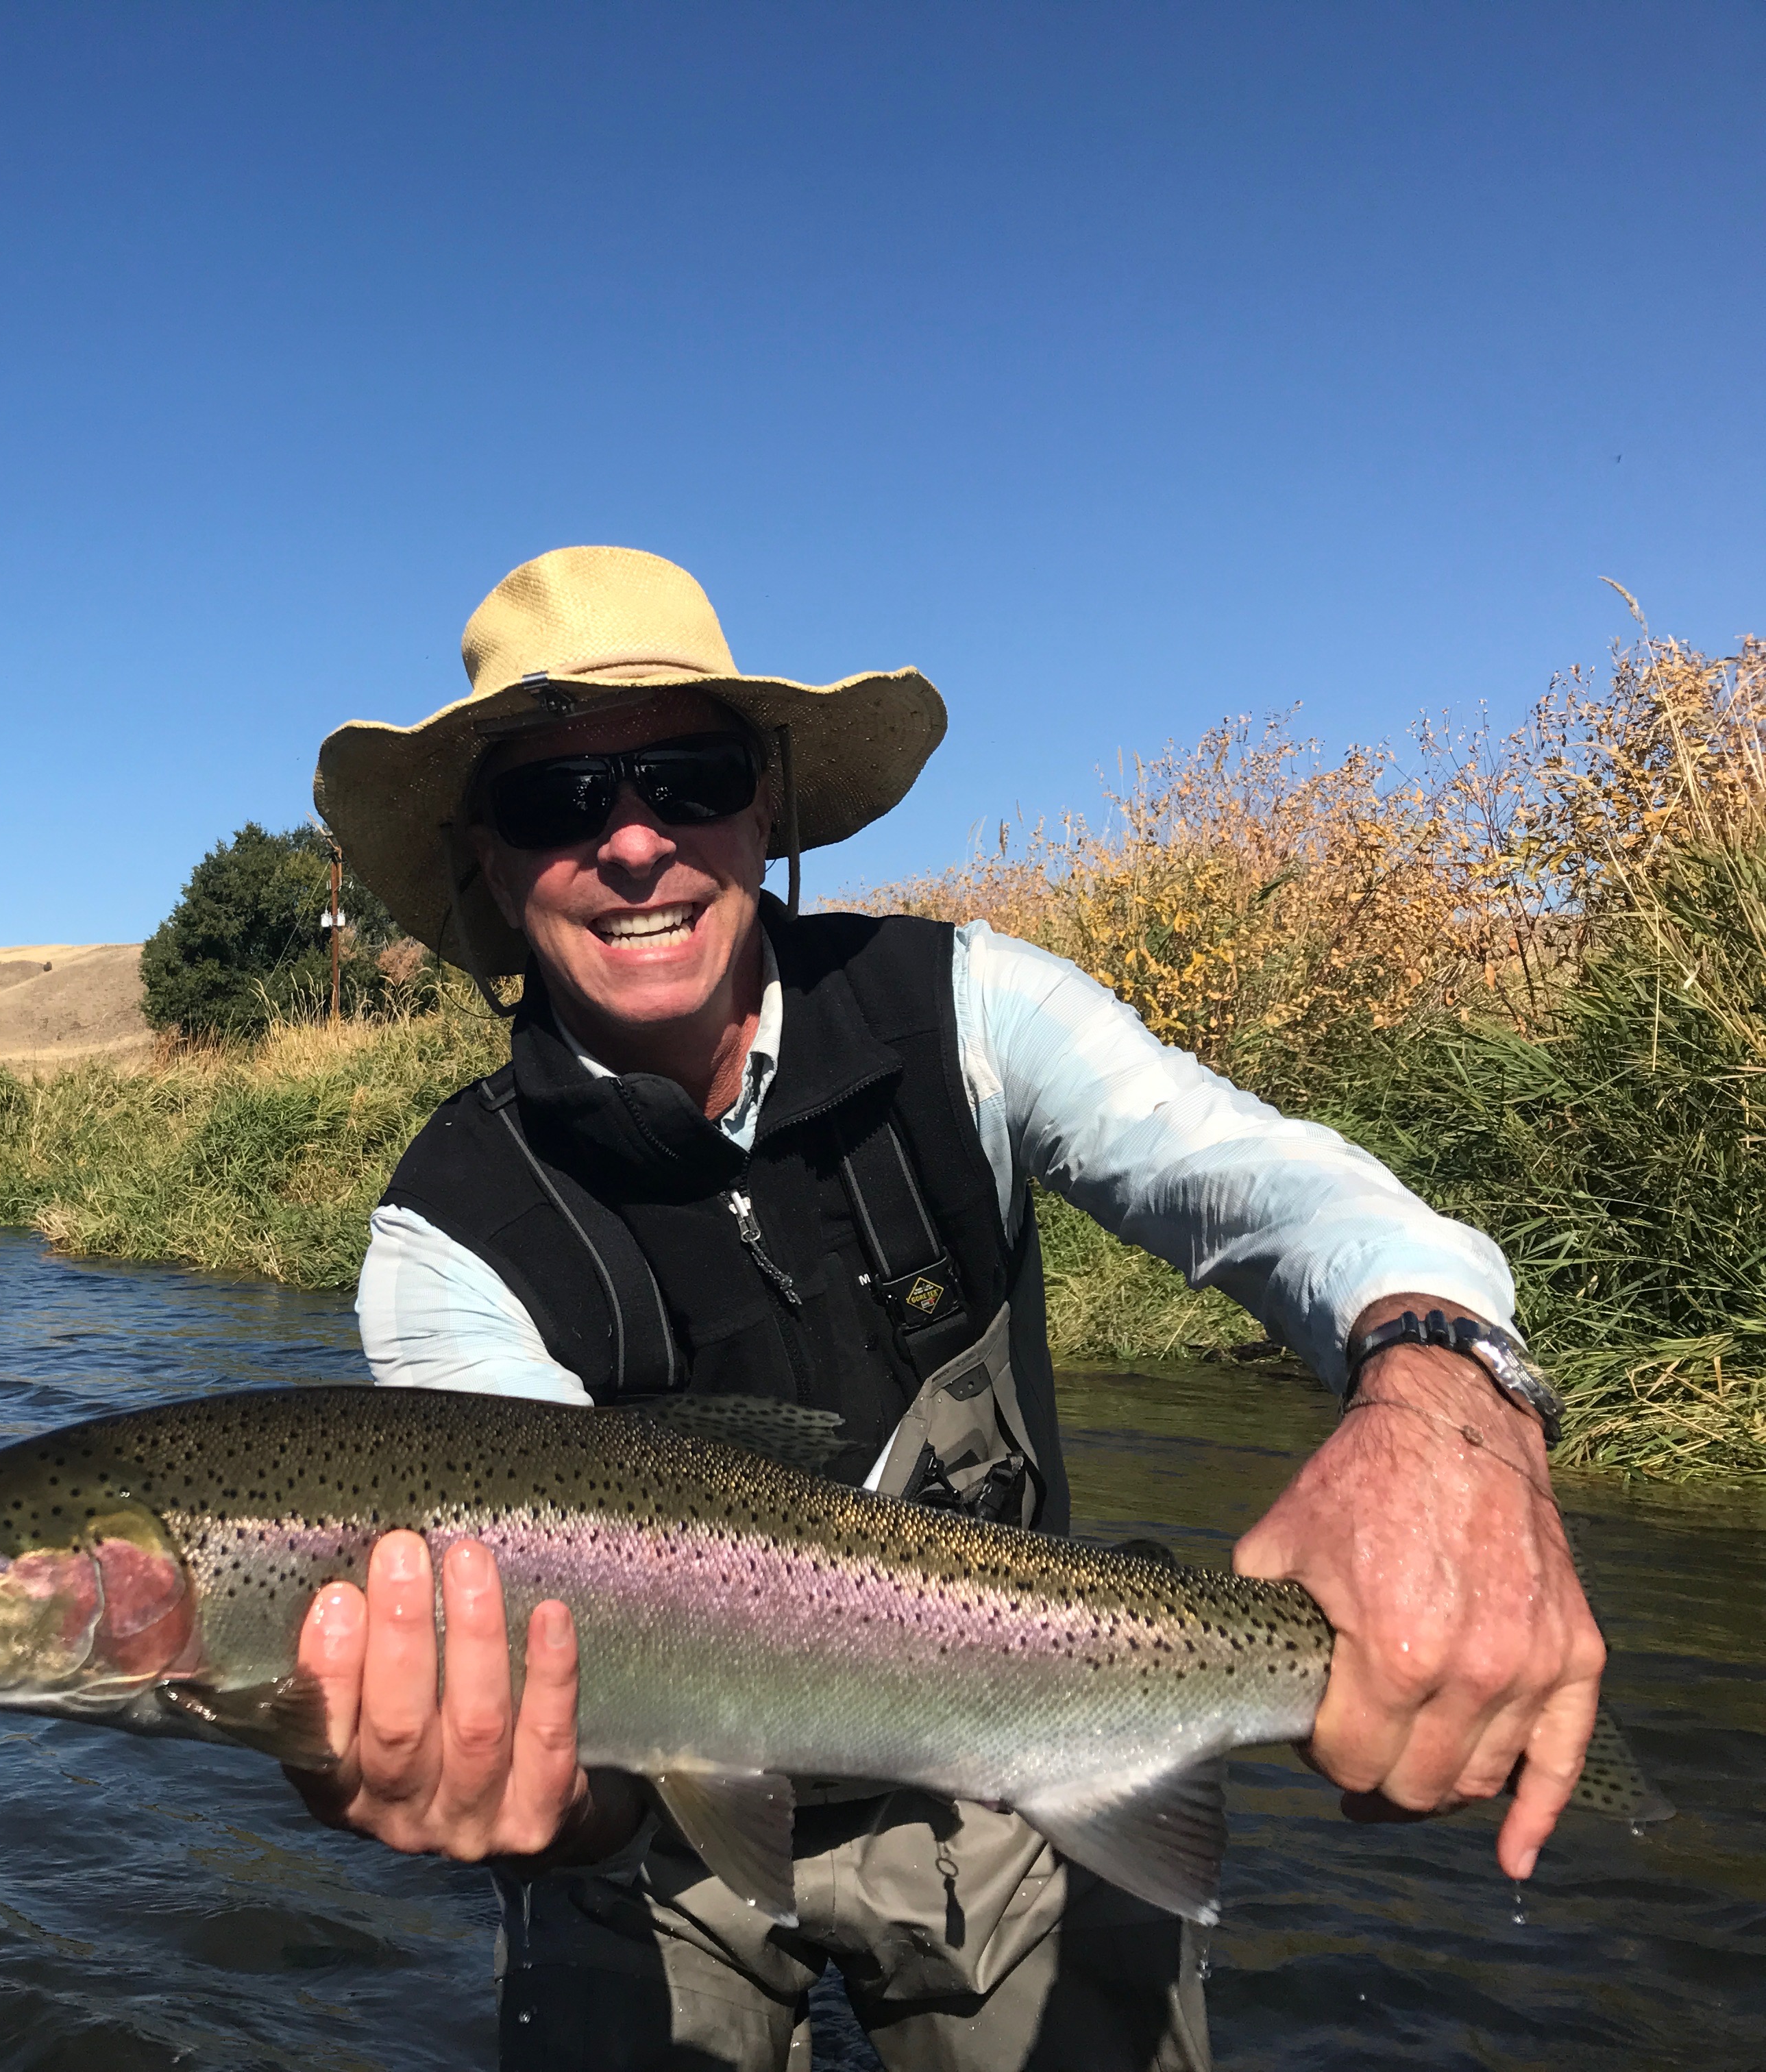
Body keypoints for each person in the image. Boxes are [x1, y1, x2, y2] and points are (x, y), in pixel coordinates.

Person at [292, 546, 1599, 2071]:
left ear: (764, 806)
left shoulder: (968, 1010)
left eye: (687, 776)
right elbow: (542, 1700)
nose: (635, 840)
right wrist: (521, 1795)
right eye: (556, 802)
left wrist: (1444, 1389)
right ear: (491, 863)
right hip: (654, 1824)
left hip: (1036, 1738)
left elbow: (1270, 1187)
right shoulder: (449, 1229)